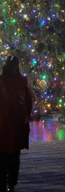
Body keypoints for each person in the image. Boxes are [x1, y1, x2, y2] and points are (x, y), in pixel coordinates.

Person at [0, 55, 32, 192]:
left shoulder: (0, 81)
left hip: (2, 123)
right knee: (14, 154)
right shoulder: (23, 80)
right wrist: (25, 117)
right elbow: (28, 101)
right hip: (18, 123)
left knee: (1, 155)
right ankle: (11, 183)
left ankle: (2, 182)